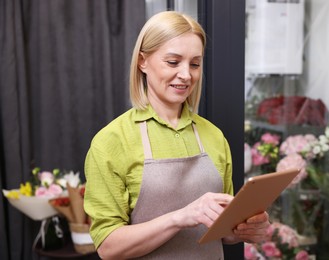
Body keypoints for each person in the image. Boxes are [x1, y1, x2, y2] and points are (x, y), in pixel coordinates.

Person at [84, 11, 270, 259]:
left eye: (194, 64)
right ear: (143, 61)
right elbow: (108, 247)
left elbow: (225, 231)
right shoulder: (111, 141)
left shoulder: (213, 136)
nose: (186, 74)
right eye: (173, 62)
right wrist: (179, 218)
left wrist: (248, 227)